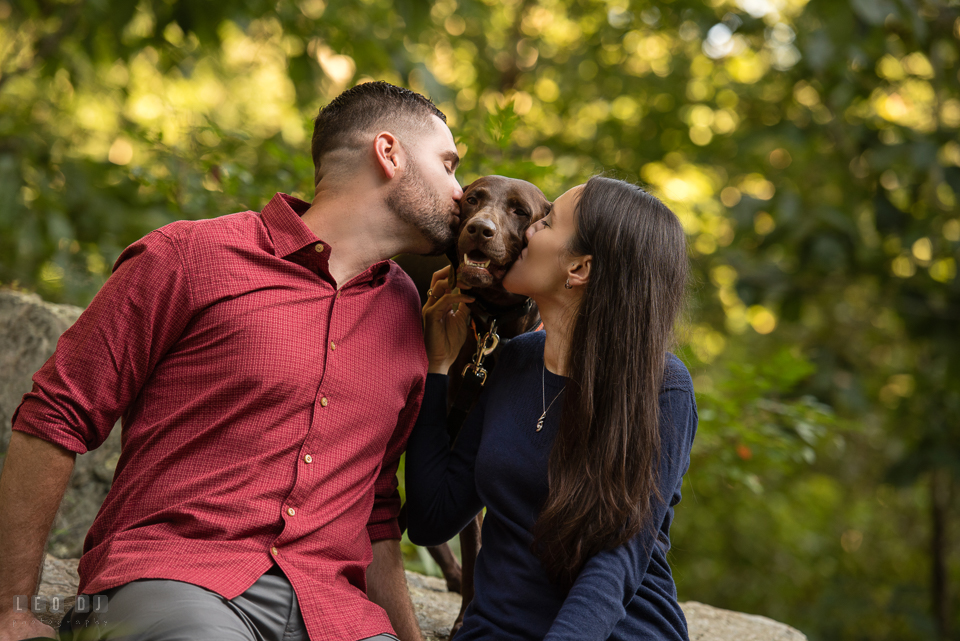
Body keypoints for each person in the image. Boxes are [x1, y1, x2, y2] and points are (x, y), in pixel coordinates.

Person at [0, 81, 464, 641]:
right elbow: (56, 414)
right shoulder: (189, 257)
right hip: (178, 580)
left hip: (335, 613)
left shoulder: (404, 310)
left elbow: (377, 507)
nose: (461, 191)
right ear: (388, 154)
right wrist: (13, 610)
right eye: (448, 164)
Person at [406, 176, 698, 640]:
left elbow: (617, 560)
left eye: (545, 222)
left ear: (579, 269)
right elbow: (431, 518)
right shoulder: (515, 362)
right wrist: (438, 368)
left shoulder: (661, 387)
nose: (526, 232)